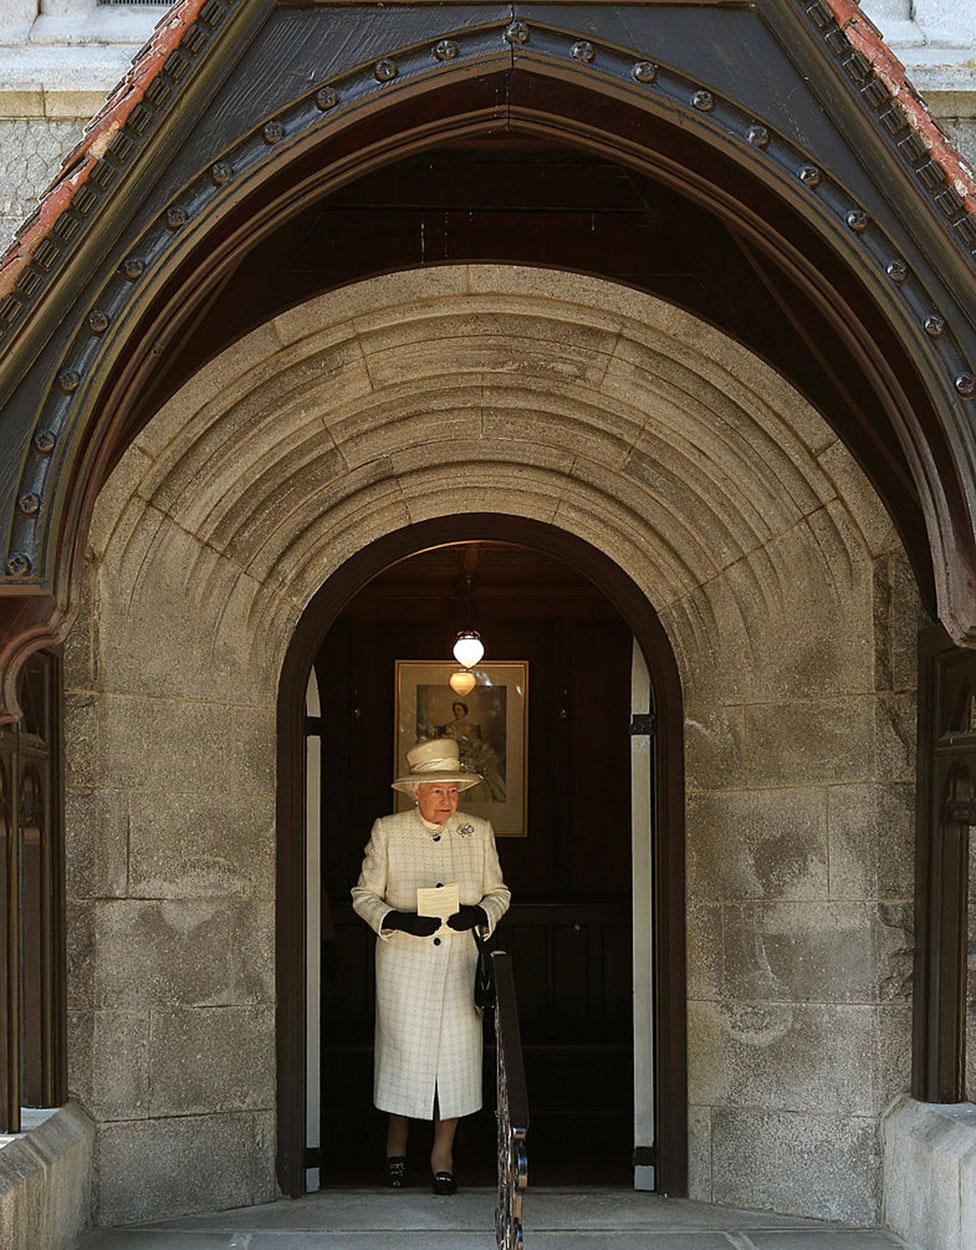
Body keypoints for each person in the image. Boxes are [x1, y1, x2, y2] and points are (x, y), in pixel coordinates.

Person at [351, 737, 511, 1194]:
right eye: (437, 791)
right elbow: (363, 895)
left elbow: (499, 892)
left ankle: (444, 1150)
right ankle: (396, 1142)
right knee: (406, 1054)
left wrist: (480, 914)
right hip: (405, 964)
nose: (447, 800)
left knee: (457, 1060)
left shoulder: (476, 831)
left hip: (460, 963)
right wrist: (394, 919)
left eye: (453, 791)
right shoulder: (389, 830)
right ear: (415, 792)